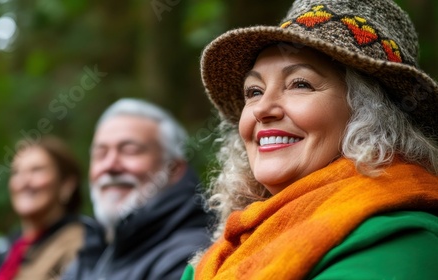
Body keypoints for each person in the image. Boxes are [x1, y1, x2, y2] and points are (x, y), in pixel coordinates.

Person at [183, 0, 438, 279]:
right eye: (254, 91)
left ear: (372, 113)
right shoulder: (232, 247)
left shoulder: (400, 242)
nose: (263, 109)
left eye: (300, 84)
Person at [62, 98, 212, 280]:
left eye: (129, 150)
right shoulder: (94, 252)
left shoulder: (193, 255)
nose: (110, 165)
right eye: (100, 154)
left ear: (174, 169)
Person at [0, 135, 102, 280]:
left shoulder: (83, 242)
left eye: (37, 170)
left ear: (67, 185)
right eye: (16, 172)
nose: (23, 181)